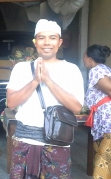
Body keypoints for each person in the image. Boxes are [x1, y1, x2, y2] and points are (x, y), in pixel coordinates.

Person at [6, 19, 84, 178]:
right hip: (24, 141)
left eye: (52, 37)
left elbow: (76, 107)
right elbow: (11, 103)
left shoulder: (71, 70)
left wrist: (48, 80)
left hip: (57, 142)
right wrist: (35, 81)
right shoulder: (21, 69)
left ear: (60, 42)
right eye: (41, 37)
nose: (47, 42)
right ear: (35, 42)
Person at [83, 44, 111, 178]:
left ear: (89, 59)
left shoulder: (96, 70)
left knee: (104, 160)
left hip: (108, 122)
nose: (83, 59)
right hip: (104, 121)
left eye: (84, 56)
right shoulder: (104, 69)